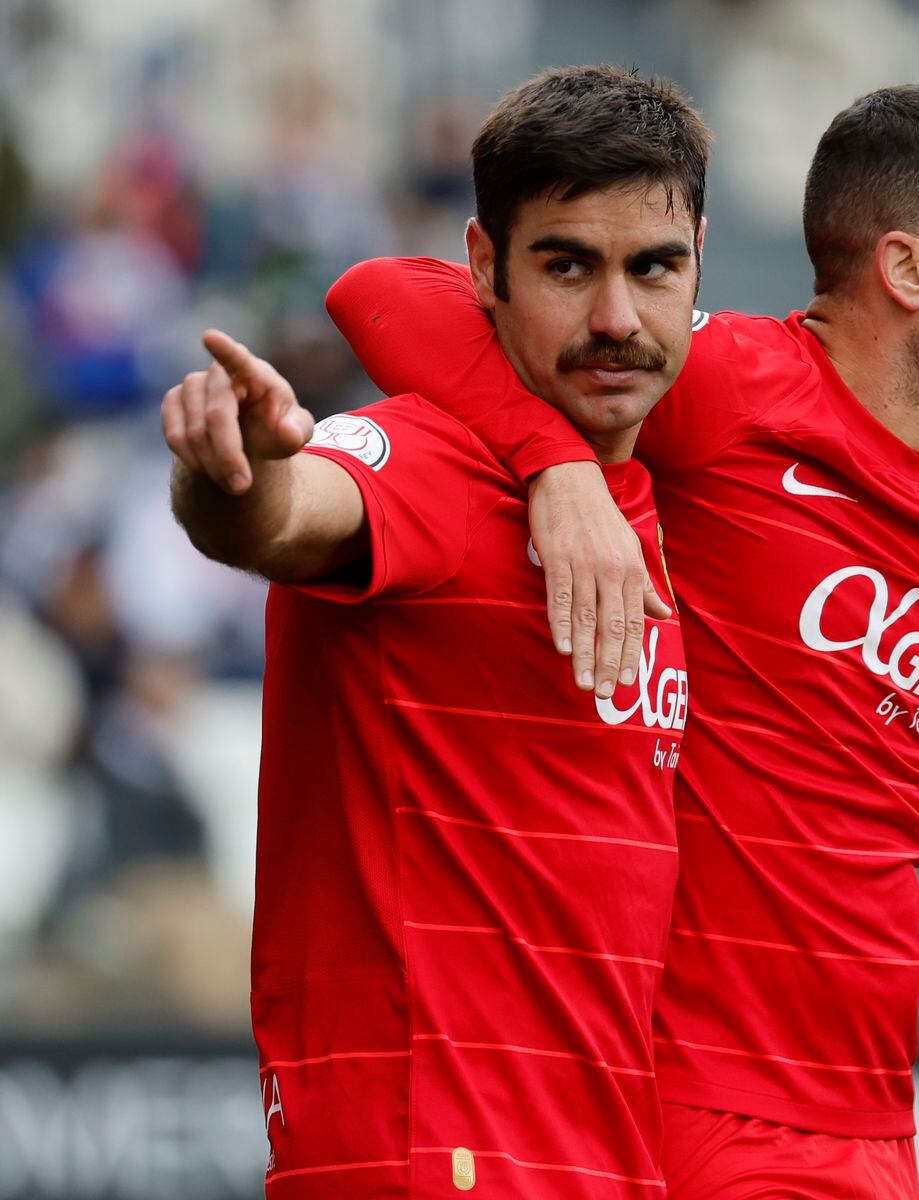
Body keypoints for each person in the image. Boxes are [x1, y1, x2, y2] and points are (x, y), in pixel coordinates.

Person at [327, 84, 919, 1195]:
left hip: (875, 1124)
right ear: (910, 269)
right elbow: (380, 292)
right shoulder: (724, 384)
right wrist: (551, 461)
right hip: (681, 1102)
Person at [161, 66, 711, 1197]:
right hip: (431, 1150)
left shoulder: (665, 491)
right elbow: (284, 517)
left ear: (698, 261)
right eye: (566, 265)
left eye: (653, 268)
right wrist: (236, 476)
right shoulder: (425, 458)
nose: (616, 317)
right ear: (481, 268)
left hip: (604, 1156)